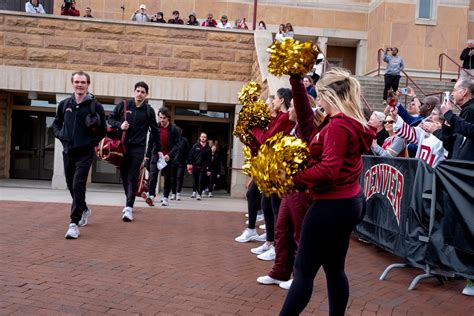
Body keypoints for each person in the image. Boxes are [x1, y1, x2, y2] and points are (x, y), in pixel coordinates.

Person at [279, 68, 375, 315]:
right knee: (334, 269)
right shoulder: (343, 123)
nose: (317, 101)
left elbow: (329, 169)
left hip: (331, 206)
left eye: (319, 96)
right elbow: (306, 120)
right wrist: (296, 82)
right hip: (348, 202)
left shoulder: (338, 127)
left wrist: (295, 177)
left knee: (303, 272)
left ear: (330, 96)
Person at [52, 71, 106, 239]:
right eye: (77, 82)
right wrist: (61, 136)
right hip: (68, 151)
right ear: (72, 83)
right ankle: (83, 209)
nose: (80, 85)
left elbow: (103, 129)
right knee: (71, 184)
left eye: (83, 82)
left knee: (78, 184)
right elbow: (56, 123)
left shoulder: (95, 106)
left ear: (88, 84)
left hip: (85, 152)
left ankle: (73, 224)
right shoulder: (64, 104)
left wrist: (91, 143)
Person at [108, 82, 161, 222]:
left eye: (143, 92)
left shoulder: (148, 110)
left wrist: (159, 150)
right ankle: (128, 201)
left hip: (138, 148)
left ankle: (129, 208)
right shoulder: (124, 106)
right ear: (134, 92)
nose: (140, 94)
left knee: (132, 177)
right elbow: (110, 119)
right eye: (138, 91)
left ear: (146, 94)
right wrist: (120, 124)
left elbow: (155, 131)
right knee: (125, 177)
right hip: (122, 146)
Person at [143, 107, 180, 207]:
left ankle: (165, 197)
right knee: (153, 174)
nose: (162, 120)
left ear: (168, 118)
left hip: (167, 156)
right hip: (156, 154)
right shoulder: (156, 127)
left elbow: (177, 145)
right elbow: (150, 142)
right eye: (160, 117)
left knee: (167, 177)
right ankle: (151, 196)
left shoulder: (174, 129)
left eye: (164, 118)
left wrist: (170, 155)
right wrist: (147, 156)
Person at [187, 132, 211, 200]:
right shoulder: (195, 146)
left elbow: (209, 159)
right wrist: (189, 164)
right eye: (202, 136)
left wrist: (209, 169)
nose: (203, 138)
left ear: (206, 138)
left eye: (204, 137)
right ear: (200, 137)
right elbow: (191, 155)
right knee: (195, 180)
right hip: (195, 165)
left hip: (203, 166)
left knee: (201, 180)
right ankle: (194, 191)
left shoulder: (208, 148)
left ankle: (199, 194)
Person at [170, 127, 189, 201]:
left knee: (179, 177)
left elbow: (188, 151)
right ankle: (173, 193)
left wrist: (189, 162)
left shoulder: (184, 140)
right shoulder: (172, 139)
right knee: (173, 178)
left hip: (181, 162)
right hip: (172, 161)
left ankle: (178, 193)